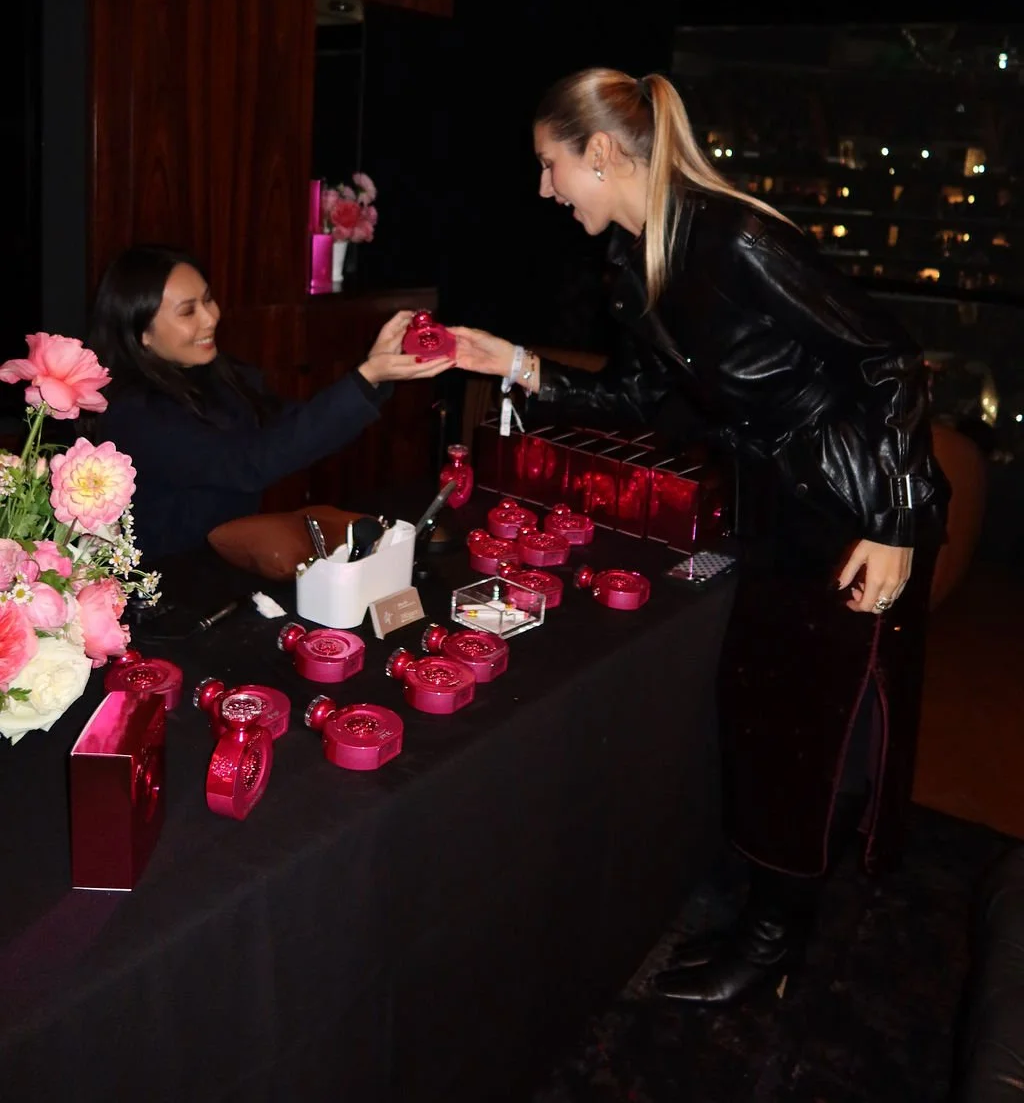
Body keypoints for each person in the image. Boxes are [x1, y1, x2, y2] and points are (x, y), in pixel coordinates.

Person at [452, 67, 948, 1007]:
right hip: (775, 511)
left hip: (848, 516)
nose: (546, 188)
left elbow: (890, 359)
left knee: (807, 731)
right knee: (767, 718)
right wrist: (511, 361)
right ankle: (765, 915)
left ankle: (773, 942)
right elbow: (642, 400)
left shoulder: (736, 240)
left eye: (552, 165)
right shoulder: (638, 262)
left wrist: (895, 523)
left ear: (602, 153)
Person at [88, 244, 453, 559]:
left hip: (230, 565)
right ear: (142, 333)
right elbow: (250, 463)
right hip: (171, 582)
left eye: (208, 299)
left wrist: (374, 375)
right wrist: (366, 377)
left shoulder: (214, 372)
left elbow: (290, 425)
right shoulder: (133, 412)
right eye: (188, 311)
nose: (211, 317)